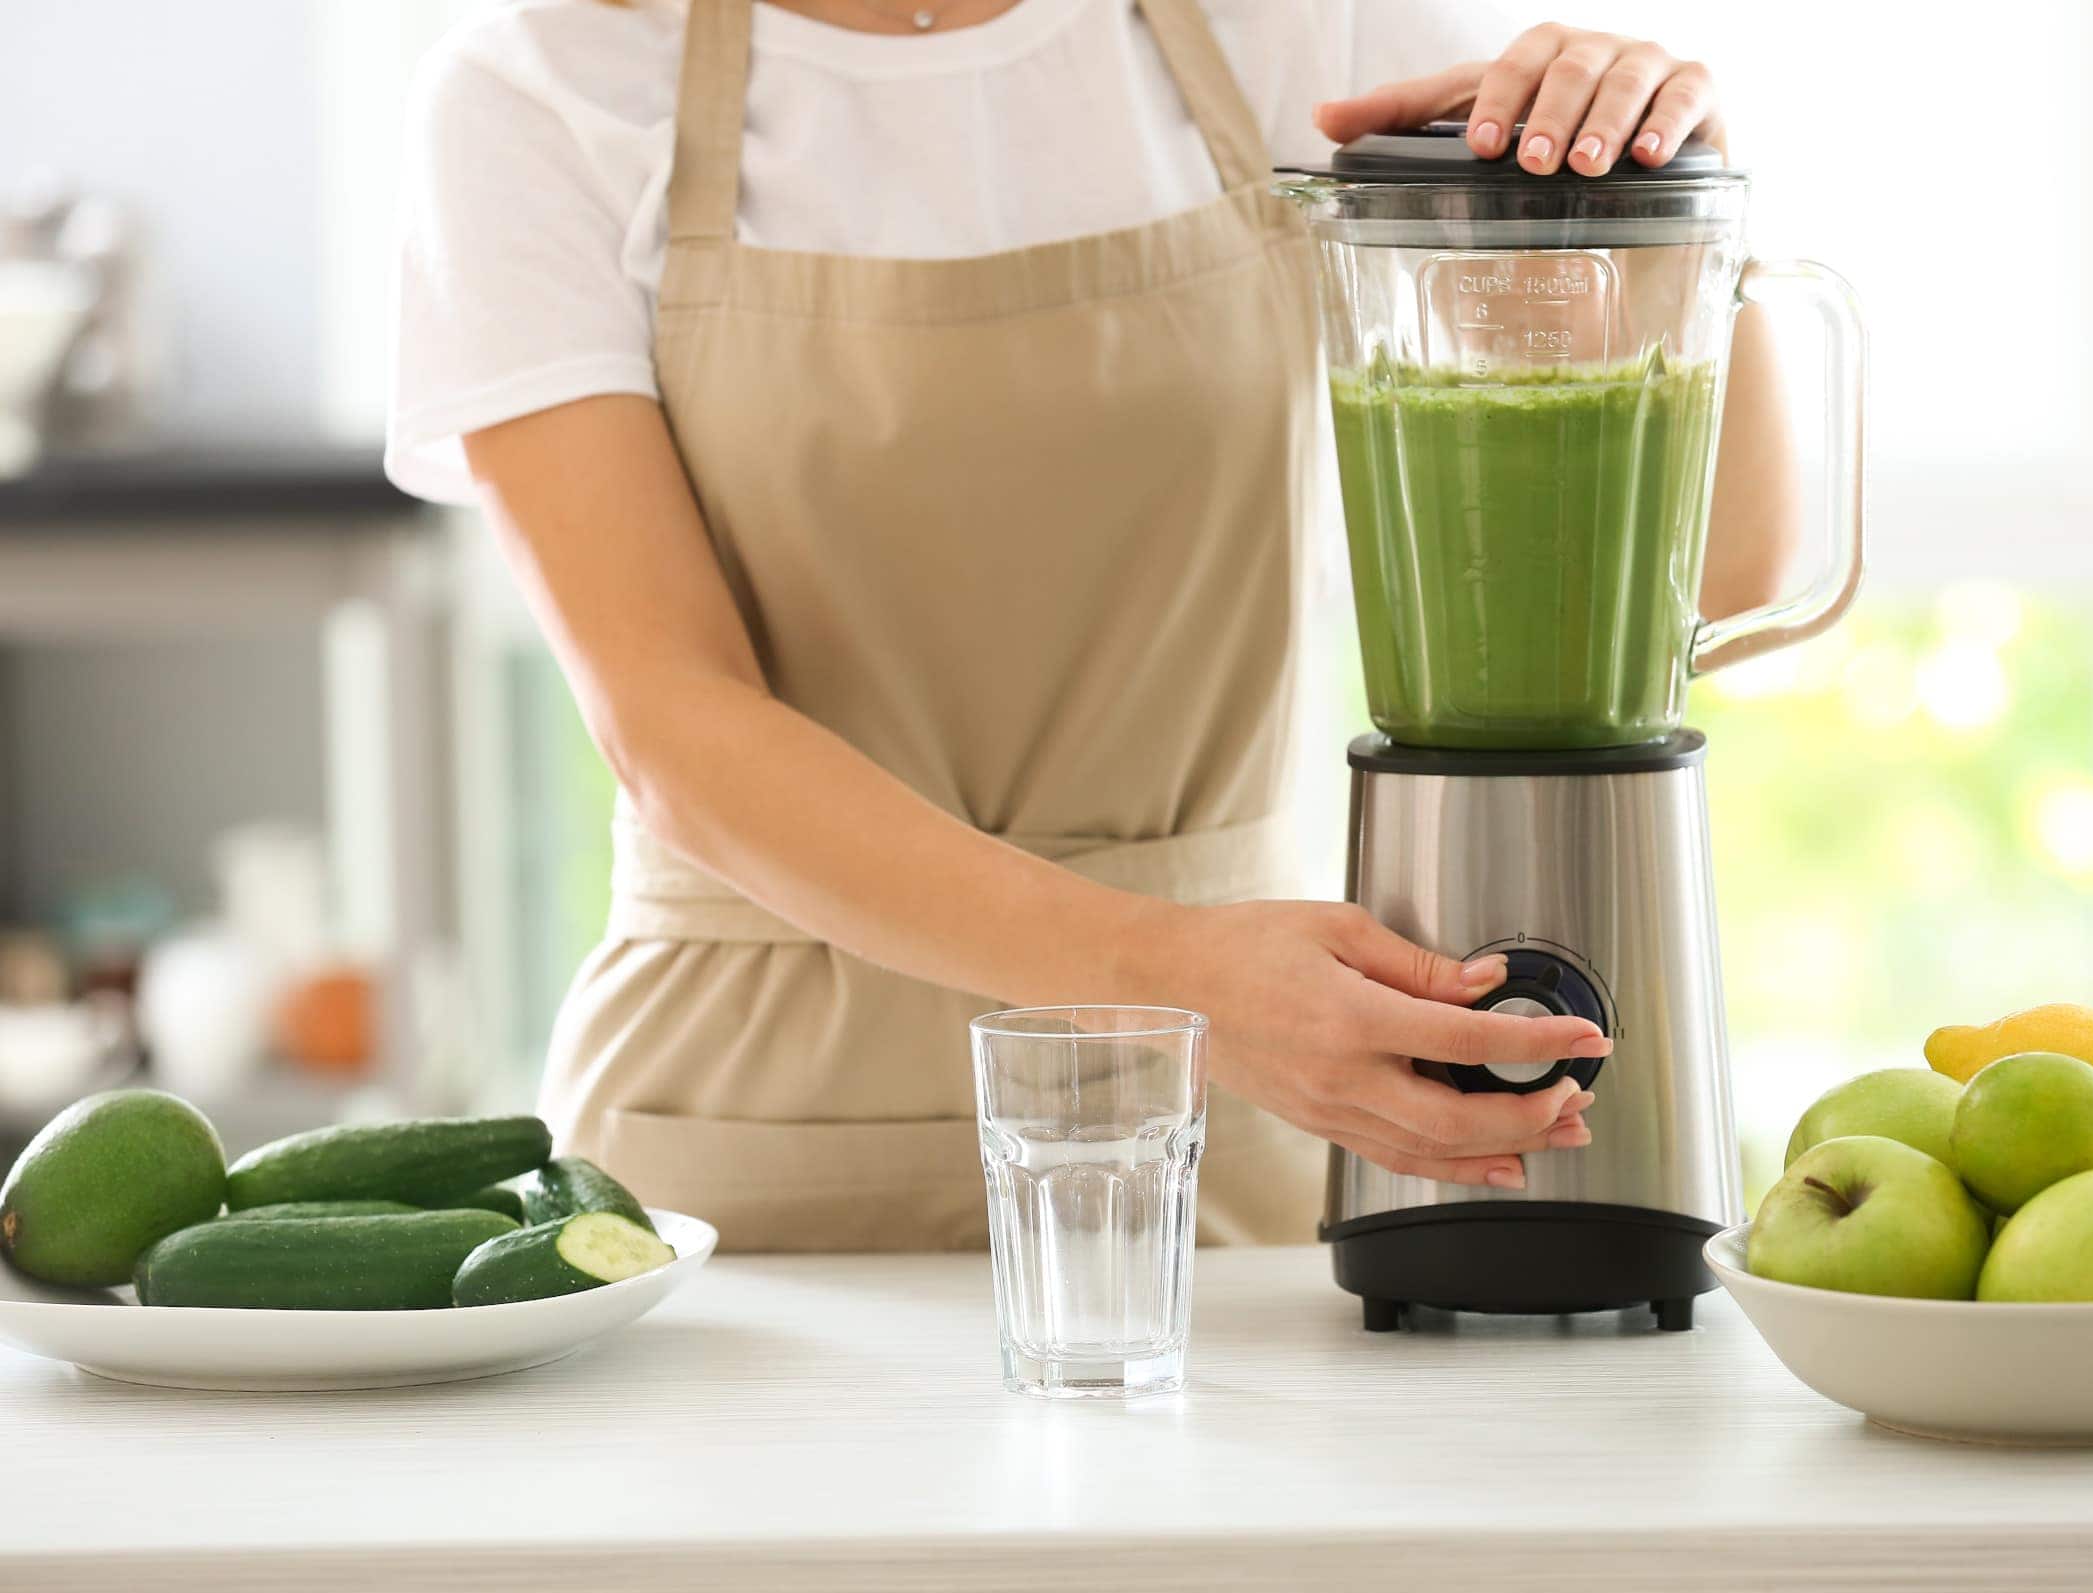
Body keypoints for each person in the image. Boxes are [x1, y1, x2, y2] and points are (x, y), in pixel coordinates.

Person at [388, 0, 1799, 1251]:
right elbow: (672, 723)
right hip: (746, 1145)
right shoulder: (543, 95)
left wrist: (1682, 190)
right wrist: (1180, 981)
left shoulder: (1308, 31)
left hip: (1236, 1113)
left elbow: (1720, 567)